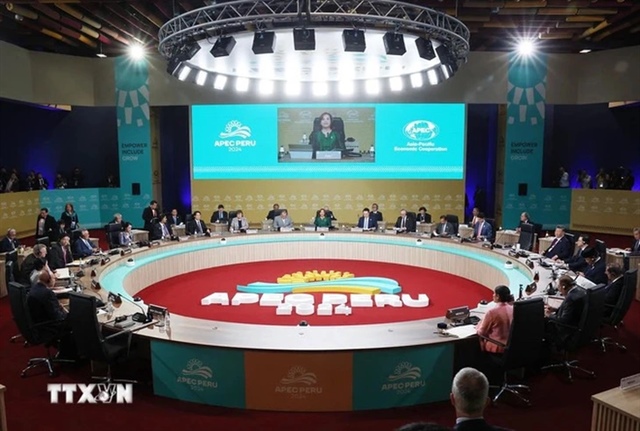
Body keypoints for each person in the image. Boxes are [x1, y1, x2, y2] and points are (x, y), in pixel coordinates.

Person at [27, 270, 77, 359]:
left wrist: (59, 307)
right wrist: (68, 314)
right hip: (48, 326)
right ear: (49, 281)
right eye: (54, 278)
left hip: (37, 324)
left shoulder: (35, 289)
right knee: (76, 320)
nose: (55, 280)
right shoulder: (47, 293)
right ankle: (72, 354)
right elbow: (58, 317)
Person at [545, 275, 587, 347]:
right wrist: (554, 309)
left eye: (558, 286)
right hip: (577, 325)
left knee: (542, 322)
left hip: (565, 331)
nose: (558, 289)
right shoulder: (580, 291)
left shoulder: (570, 299)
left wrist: (549, 315)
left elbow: (563, 320)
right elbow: (570, 311)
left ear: (563, 286)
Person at [476, 285, 514, 354]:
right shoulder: (513, 309)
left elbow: (481, 332)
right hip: (511, 348)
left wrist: (478, 325)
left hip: (497, 348)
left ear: (498, 296)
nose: (493, 295)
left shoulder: (492, 312)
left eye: (494, 293)